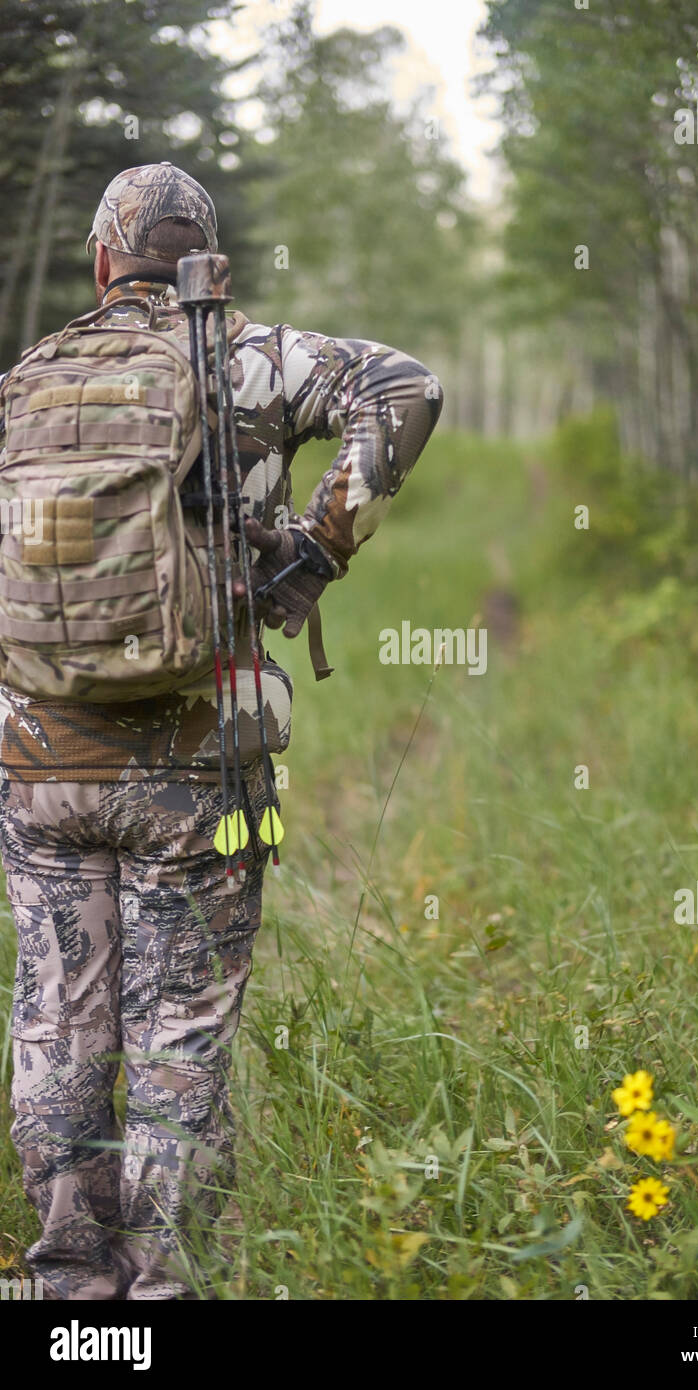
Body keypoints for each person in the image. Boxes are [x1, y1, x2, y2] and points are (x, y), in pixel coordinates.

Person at [0, 161, 443, 1300]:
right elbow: (405, 392)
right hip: (196, 764)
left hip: (37, 758)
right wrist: (315, 552)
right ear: (206, 256)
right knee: (176, 1030)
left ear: (102, 264)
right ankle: (163, 1290)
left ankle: (67, 1291)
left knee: (58, 1012)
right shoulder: (243, 358)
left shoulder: (28, 382)